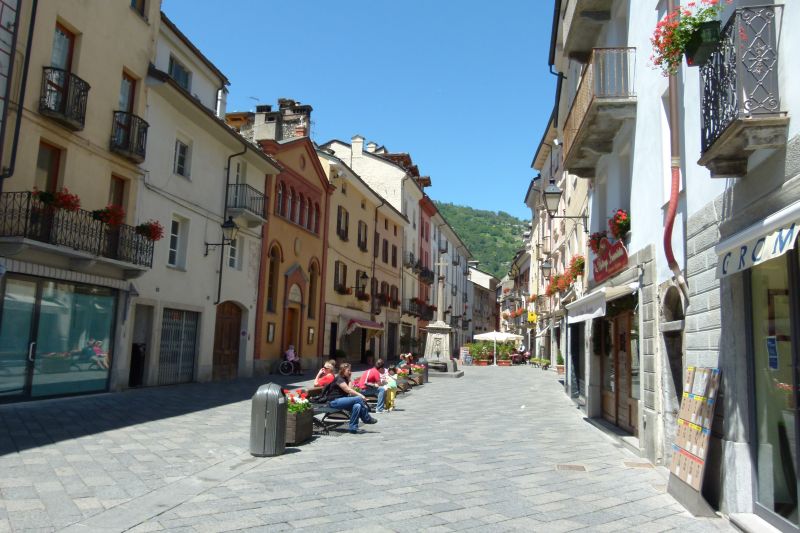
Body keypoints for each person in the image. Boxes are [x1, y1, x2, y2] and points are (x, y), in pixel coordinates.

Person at [325, 363, 377, 433]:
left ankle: (353, 428)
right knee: (358, 398)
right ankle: (367, 418)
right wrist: (361, 395)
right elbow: (348, 390)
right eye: (348, 370)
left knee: (357, 406)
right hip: (334, 401)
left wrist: (349, 379)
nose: (350, 372)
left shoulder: (345, 378)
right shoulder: (339, 379)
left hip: (342, 400)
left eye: (350, 370)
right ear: (343, 370)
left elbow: (350, 390)